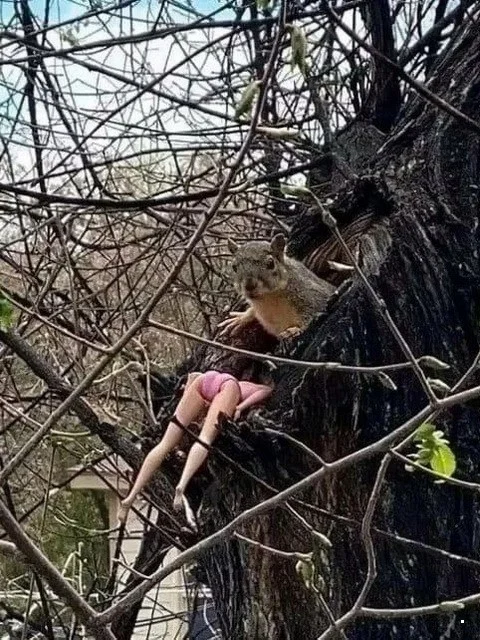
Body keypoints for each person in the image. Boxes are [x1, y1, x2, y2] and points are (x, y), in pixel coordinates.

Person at [117, 369, 273, 522]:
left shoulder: (231, 386)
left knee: (164, 444)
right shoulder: (239, 387)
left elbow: (193, 376)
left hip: (203, 378)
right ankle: (181, 486)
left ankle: (130, 498)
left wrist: (188, 395)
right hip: (227, 386)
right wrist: (240, 407)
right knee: (204, 439)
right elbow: (266, 390)